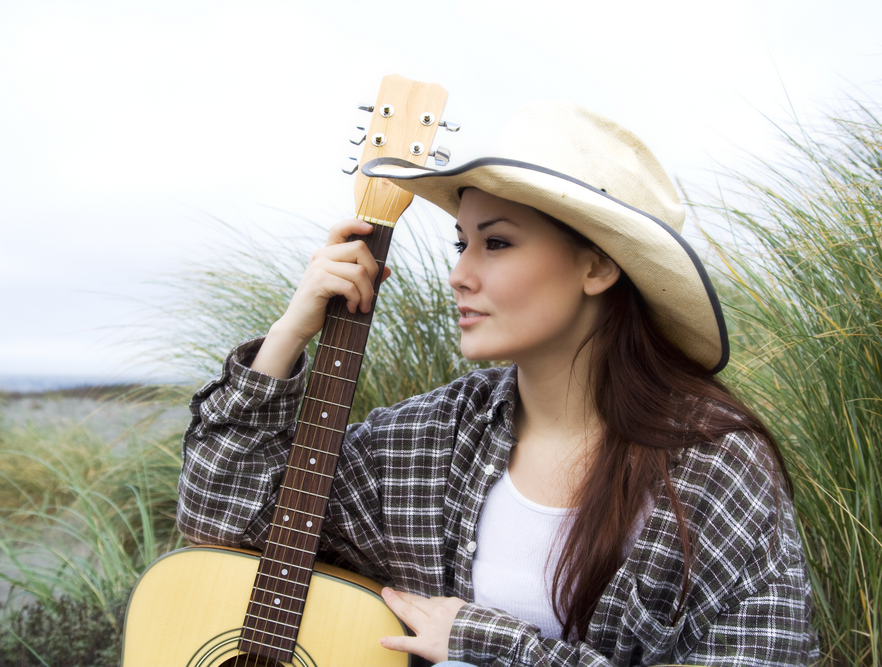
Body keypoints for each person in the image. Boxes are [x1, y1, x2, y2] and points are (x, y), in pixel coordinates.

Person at [176, 103, 819, 666]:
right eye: (461, 244)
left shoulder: (713, 468)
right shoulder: (430, 439)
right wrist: (291, 331)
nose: (459, 274)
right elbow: (219, 512)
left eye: (498, 243)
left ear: (597, 266)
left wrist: (497, 646)